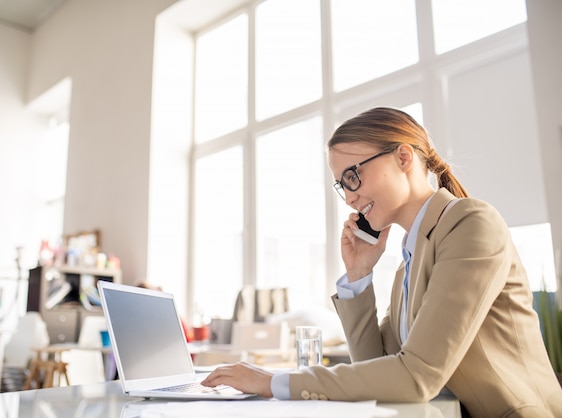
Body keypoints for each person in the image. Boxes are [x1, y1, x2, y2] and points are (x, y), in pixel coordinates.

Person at [202, 107, 562, 417]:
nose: (348, 197)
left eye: (352, 176)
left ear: (403, 158)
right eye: (341, 186)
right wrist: (359, 275)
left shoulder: (470, 223)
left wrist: (272, 382)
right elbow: (377, 369)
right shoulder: (410, 260)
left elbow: (416, 375)